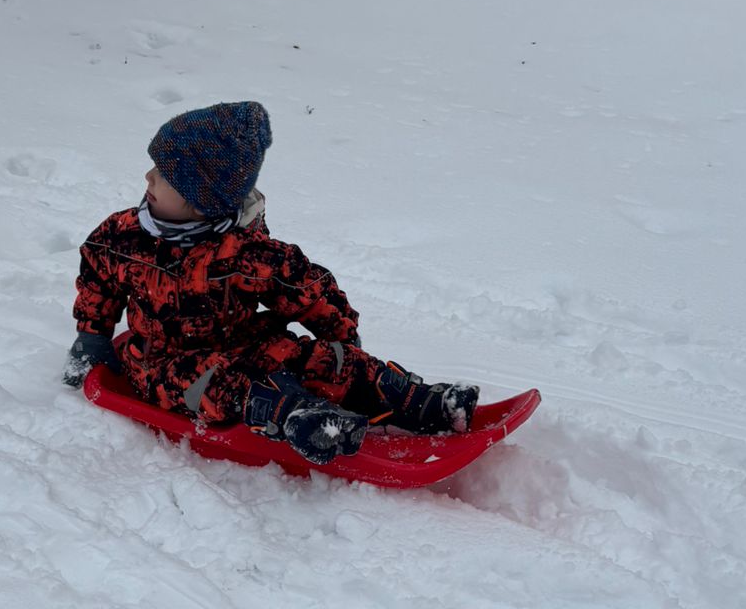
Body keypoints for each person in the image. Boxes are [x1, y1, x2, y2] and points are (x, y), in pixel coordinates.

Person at [63, 101, 478, 465]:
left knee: (323, 361)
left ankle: (423, 402)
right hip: (165, 361)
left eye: (162, 174)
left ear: (200, 199)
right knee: (218, 385)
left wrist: (341, 340)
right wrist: (92, 337)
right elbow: (98, 275)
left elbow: (305, 287)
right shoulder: (125, 238)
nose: (147, 177)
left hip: (249, 345)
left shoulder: (243, 252)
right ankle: (300, 418)